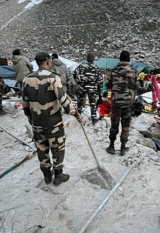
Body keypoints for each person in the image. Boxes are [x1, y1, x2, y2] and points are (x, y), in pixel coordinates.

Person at [22, 51, 84, 186]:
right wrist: (76, 114)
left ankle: (47, 175)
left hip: (37, 123)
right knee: (57, 146)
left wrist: (31, 119)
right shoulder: (53, 78)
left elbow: (25, 103)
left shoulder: (27, 79)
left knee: (41, 147)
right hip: (53, 122)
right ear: (48, 62)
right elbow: (64, 100)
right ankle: (58, 175)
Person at [105, 50, 139, 156]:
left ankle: (111, 146)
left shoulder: (114, 70)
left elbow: (108, 84)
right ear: (129, 59)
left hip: (116, 102)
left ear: (120, 58)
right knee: (125, 125)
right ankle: (123, 147)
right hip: (128, 103)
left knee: (114, 125)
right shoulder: (133, 71)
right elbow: (137, 86)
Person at [73, 52, 104, 124]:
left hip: (83, 87)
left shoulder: (81, 66)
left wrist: (79, 82)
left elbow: (75, 74)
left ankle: (78, 117)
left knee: (80, 103)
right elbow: (100, 81)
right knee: (93, 104)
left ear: (87, 59)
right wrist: (100, 94)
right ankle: (93, 118)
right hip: (93, 89)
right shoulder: (97, 68)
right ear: (93, 59)